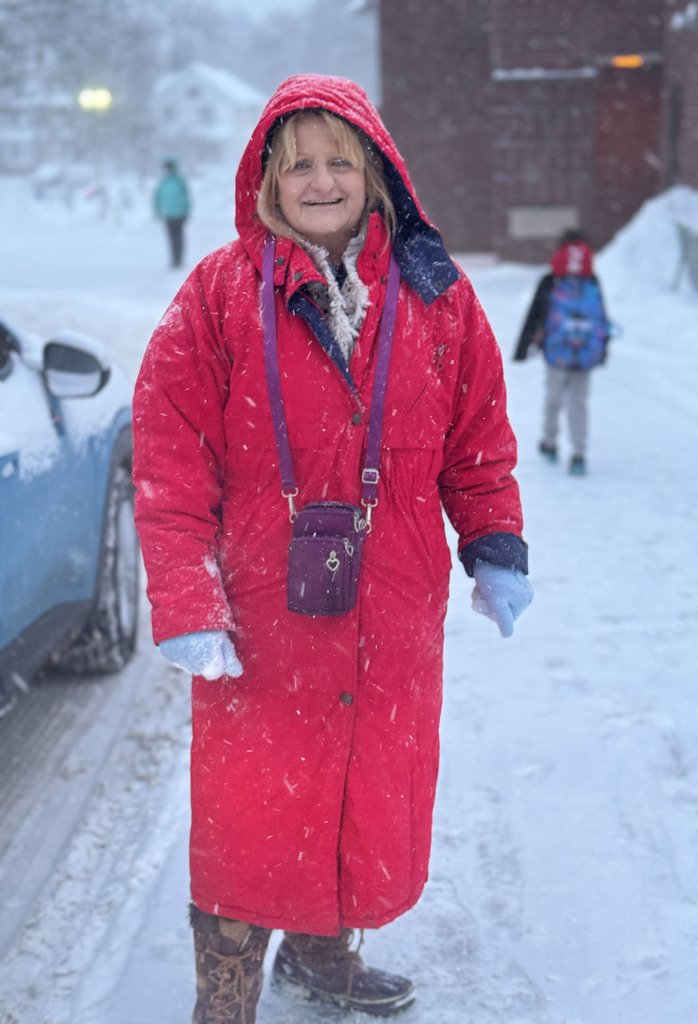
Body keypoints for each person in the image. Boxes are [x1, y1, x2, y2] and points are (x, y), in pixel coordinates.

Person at [133, 74, 532, 1024]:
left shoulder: (438, 294)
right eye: (297, 163)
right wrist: (189, 601)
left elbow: (477, 437)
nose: (319, 180)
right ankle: (223, 998)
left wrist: (495, 541)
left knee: (360, 791)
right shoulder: (222, 293)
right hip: (261, 619)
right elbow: (169, 457)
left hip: (391, 606)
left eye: (338, 161)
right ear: (268, 179)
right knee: (253, 811)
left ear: (376, 171)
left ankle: (321, 956)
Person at [513, 229, 610, 475]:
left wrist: (522, 349)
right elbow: (601, 318)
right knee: (579, 402)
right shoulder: (591, 280)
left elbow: (535, 313)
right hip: (585, 355)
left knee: (553, 399)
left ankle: (550, 442)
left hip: (556, 353)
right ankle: (579, 453)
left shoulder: (551, 280)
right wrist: (603, 349)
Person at [153, 157, 191, 267]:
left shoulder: (180, 181)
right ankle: (174, 259)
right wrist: (157, 209)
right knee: (172, 237)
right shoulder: (163, 182)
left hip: (179, 214)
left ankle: (179, 258)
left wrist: (186, 210)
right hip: (169, 214)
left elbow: (186, 197)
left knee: (178, 236)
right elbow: (157, 197)